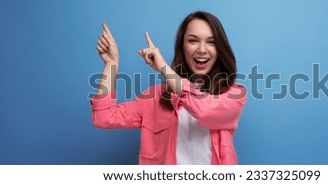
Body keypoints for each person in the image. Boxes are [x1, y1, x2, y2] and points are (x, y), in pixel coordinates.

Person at [90, 11, 246, 165]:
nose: (202, 49)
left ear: (219, 49)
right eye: (193, 41)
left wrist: (164, 68)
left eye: (211, 42)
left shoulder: (234, 94)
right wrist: (111, 64)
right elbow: (104, 117)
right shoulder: (154, 97)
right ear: (182, 46)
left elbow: (204, 111)